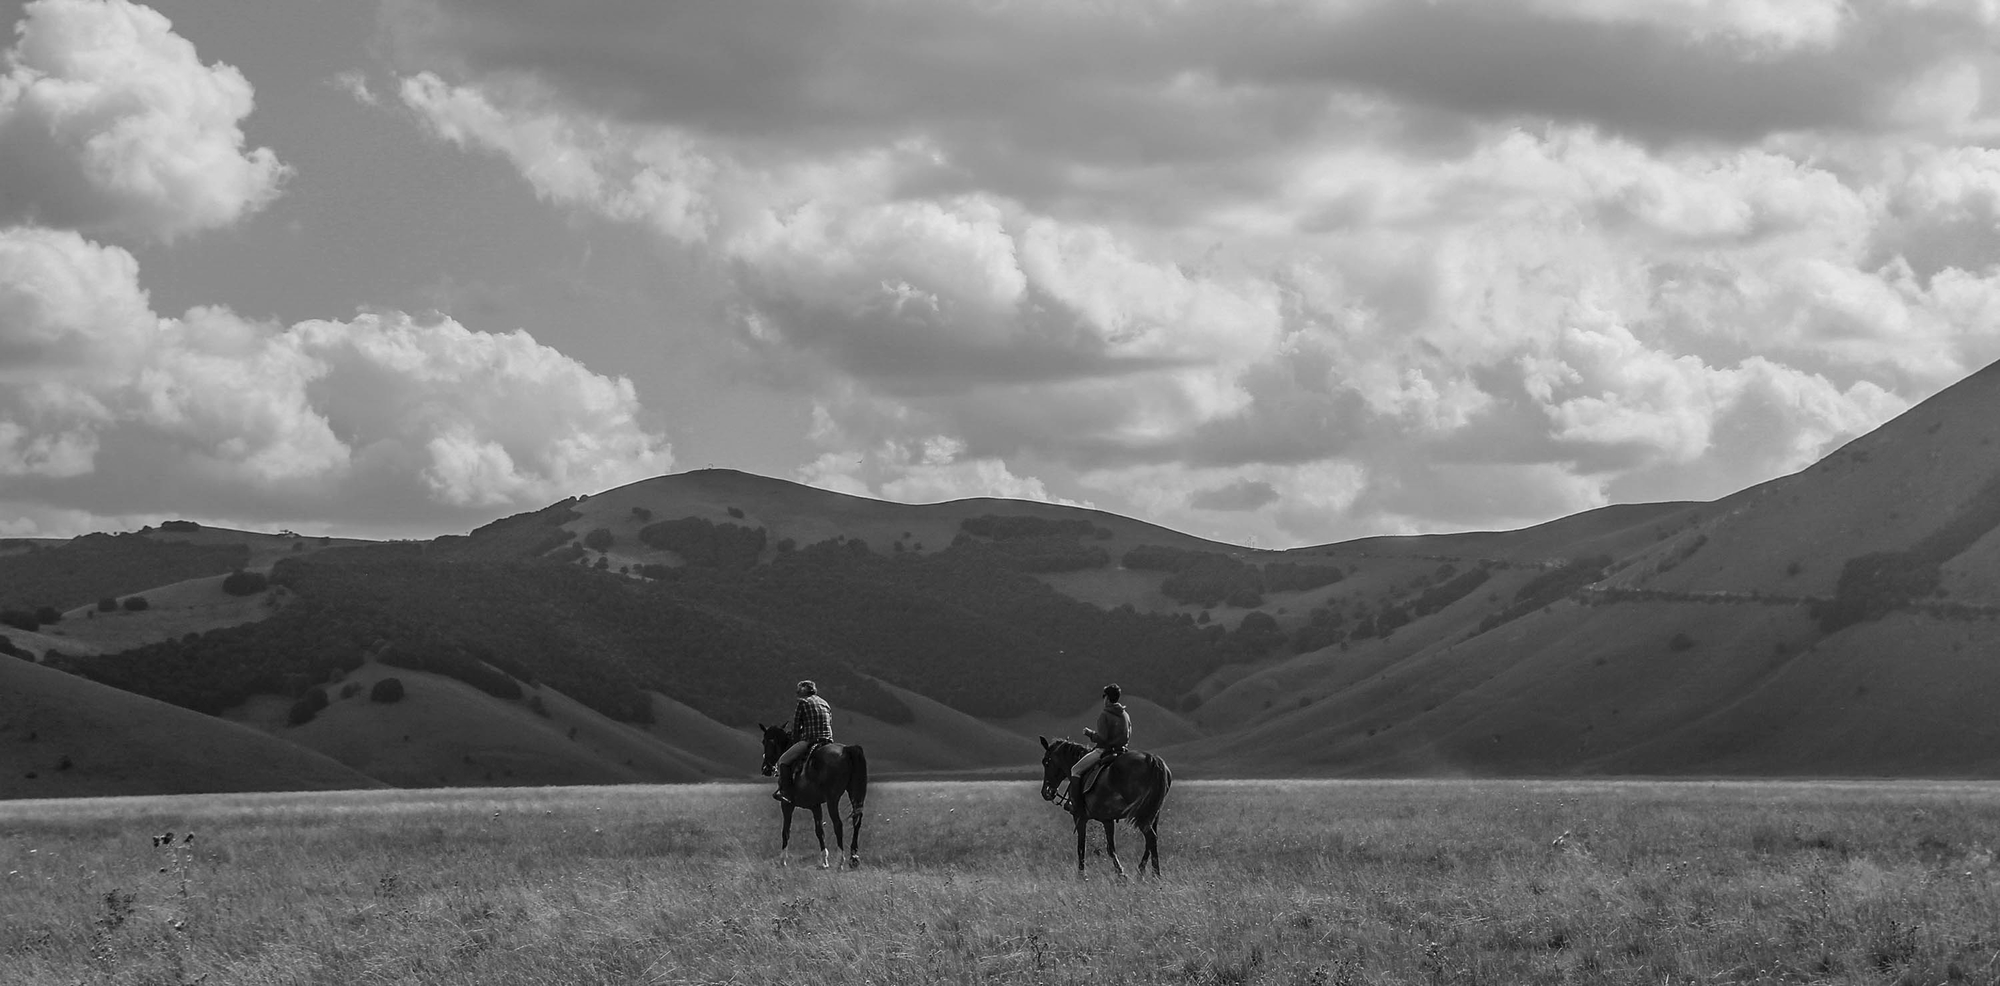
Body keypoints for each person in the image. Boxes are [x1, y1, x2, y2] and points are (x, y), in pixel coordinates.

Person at [1059, 683, 1130, 805]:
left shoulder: (1105, 715)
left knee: (1075, 770)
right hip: (1122, 751)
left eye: (1104, 696)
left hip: (1104, 751)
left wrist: (1089, 733)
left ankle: (1076, 804)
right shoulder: (1125, 714)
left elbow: (1102, 738)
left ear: (1107, 698)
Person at [774, 679, 833, 803]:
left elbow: (796, 727)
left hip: (810, 740)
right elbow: (829, 722)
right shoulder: (824, 702)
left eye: (798, 690)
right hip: (828, 741)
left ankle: (787, 793)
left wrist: (795, 740)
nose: (797, 693)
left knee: (783, 761)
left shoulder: (803, 703)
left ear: (804, 691)